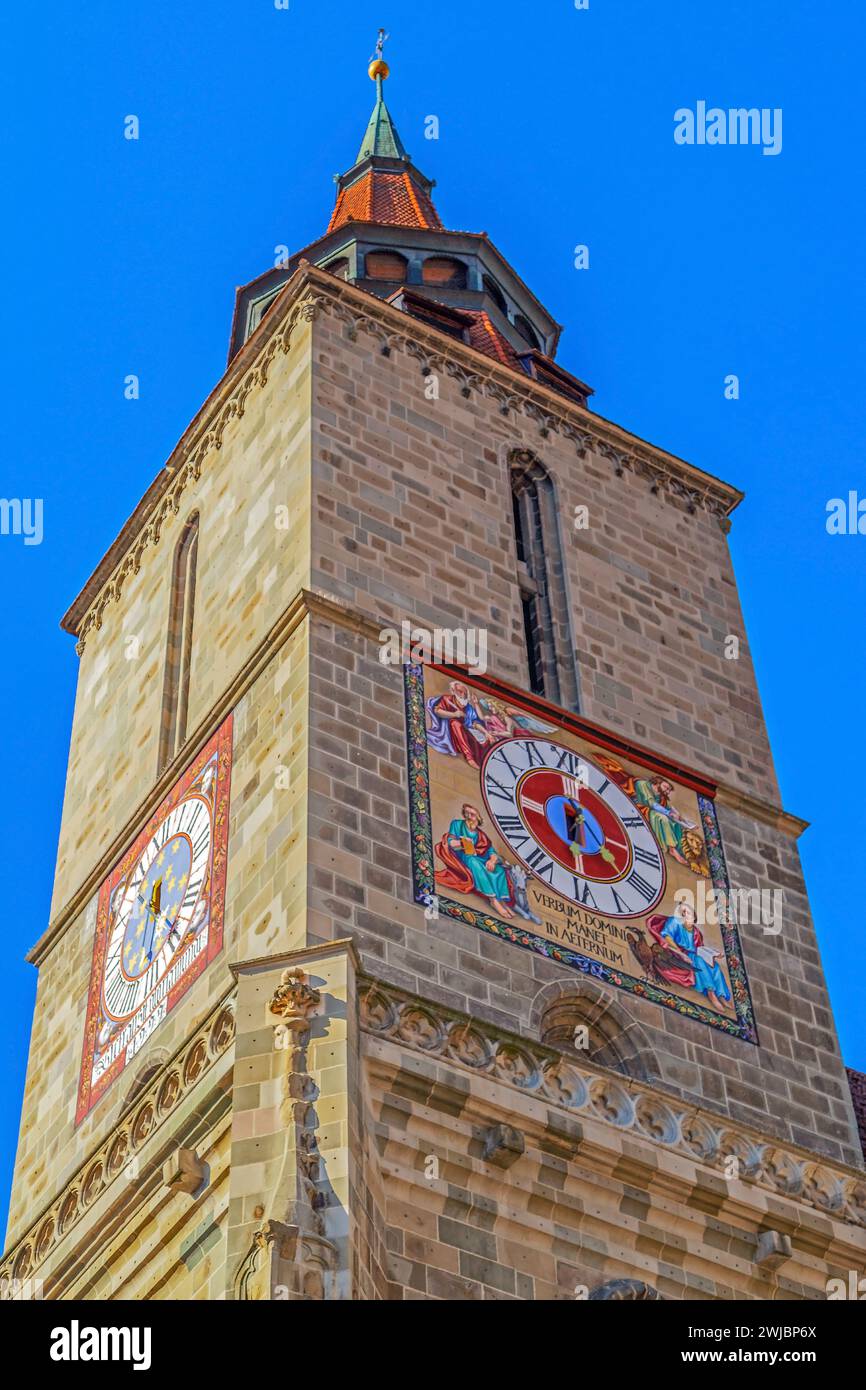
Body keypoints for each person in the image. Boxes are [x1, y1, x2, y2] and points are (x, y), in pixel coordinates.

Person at [434, 803, 514, 918]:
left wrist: (492, 861)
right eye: (466, 813)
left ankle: (501, 900)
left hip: (479, 857)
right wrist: (462, 843)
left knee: (499, 870)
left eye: (472, 814)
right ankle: (493, 900)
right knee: (473, 862)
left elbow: (491, 852)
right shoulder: (457, 824)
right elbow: (451, 842)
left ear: (478, 817)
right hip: (463, 855)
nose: (469, 816)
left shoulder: (481, 835)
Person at [658, 900, 731, 1011]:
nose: (686, 915)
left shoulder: (696, 932)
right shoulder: (674, 922)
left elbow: (700, 948)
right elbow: (667, 937)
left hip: (694, 954)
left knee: (714, 966)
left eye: (689, 912)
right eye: (683, 912)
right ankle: (711, 993)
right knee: (699, 961)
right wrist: (681, 954)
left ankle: (721, 995)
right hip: (679, 953)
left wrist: (713, 954)